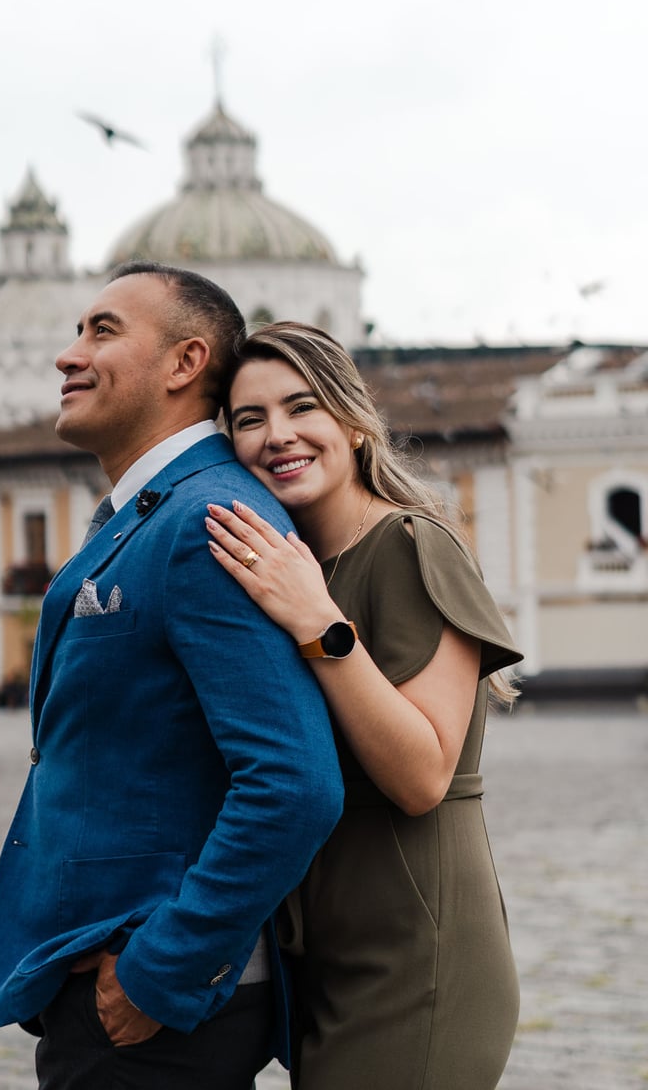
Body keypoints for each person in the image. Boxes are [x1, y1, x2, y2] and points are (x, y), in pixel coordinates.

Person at [0, 267, 344, 1090]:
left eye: (103, 331)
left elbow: (294, 782)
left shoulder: (206, 520)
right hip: (105, 978)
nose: (70, 355)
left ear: (184, 362)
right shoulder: (155, 513)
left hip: (153, 1009)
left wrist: (160, 971)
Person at [205, 321, 523, 1090]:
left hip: (419, 958)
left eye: (301, 406)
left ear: (351, 422)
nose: (277, 435)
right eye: (250, 419)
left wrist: (319, 621)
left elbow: (422, 775)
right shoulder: (291, 567)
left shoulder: (412, 545)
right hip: (323, 963)